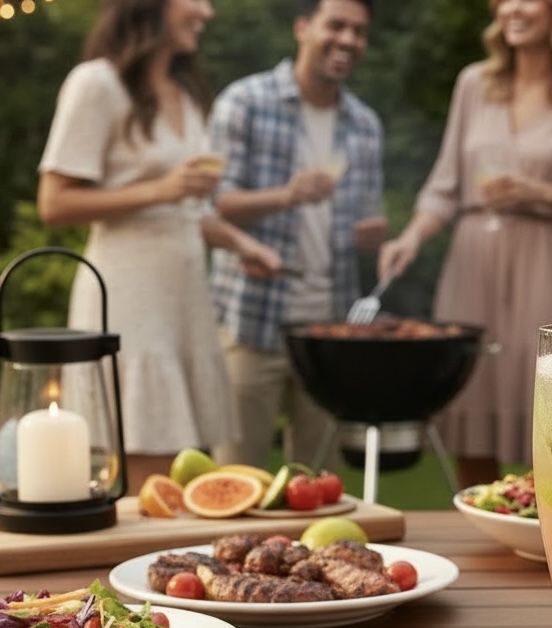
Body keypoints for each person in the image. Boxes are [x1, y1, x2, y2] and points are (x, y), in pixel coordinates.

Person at [376, 0, 552, 488]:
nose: (512, 8)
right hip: (471, 262)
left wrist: (537, 193)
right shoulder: (474, 83)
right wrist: (411, 236)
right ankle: (480, 527)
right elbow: (444, 187)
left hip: (546, 259)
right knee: (473, 404)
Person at [37, 0, 282, 495]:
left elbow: (185, 210)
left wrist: (238, 242)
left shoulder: (186, 96)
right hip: (130, 301)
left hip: (185, 304)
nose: (208, 13)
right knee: (142, 481)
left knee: (183, 475)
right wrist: (162, 188)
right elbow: (55, 201)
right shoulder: (96, 84)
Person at [208, 0, 386, 470]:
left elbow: (364, 222)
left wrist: (373, 237)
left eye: (359, 31)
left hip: (328, 329)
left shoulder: (365, 125)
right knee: (236, 472)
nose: (348, 39)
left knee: (316, 482)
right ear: (303, 28)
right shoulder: (244, 102)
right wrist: (285, 195)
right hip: (250, 320)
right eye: (337, 25)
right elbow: (212, 204)